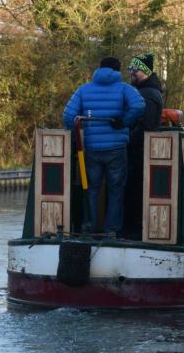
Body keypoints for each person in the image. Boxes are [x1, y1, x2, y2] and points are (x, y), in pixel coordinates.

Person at [62, 56, 145, 235]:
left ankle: (89, 227)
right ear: (118, 70)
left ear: (99, 69)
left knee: (91, 190)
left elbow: (68, 116)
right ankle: (112, 230)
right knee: (116, 191)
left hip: (91, 150)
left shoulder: (83, 90)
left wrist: (78, 134)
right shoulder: (125, 89)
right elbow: (139, 106)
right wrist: (124, 122)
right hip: (116, 149)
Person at [123, 53, 163, 238]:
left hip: (141, 152)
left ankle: (132, 229)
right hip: (139, 150)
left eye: (135, 69)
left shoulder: (148, 95)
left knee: (135, 189)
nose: (131, 72)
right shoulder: (145, 92)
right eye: (130, 69)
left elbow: (146, 127)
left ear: (145, 72)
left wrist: (126, 140)